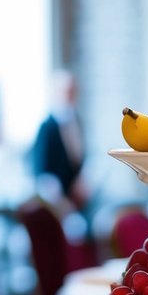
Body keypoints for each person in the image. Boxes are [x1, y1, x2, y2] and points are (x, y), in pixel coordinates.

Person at [32, 69, 86, 204]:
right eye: (65, 92)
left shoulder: (77, 121)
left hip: (77, 194)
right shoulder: (47, 127)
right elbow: (40, 168)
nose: (69, 96)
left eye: (72, 92)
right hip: (56, 198)